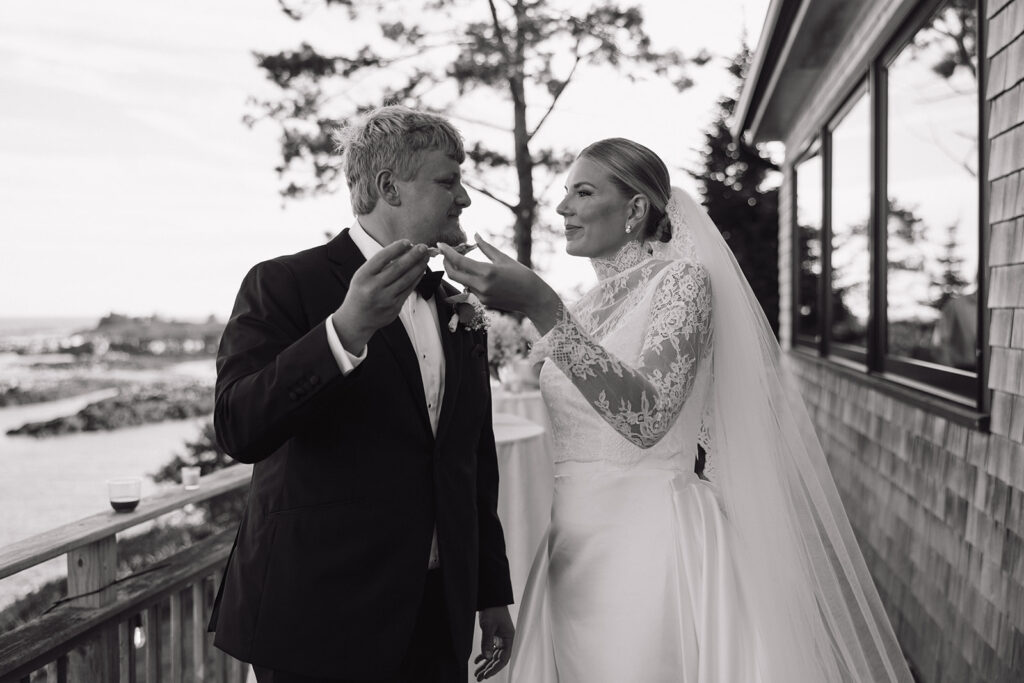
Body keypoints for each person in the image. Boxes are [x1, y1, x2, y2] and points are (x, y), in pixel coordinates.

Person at [439, 138, 916, 682]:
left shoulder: (683, 282)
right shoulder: (587, 307)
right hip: (572, 548)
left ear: (636, 209)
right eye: (565, 192)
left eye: (584, 192)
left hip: (650, 543)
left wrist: (542, 306)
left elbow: (647, 418)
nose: (563, 207)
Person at [208, 105, 514, 683]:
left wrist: (488, 591)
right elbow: (238, 427)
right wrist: (344, 331)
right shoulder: (283, 283)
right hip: (319, 616)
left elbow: (471, 459)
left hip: (435, 617)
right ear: (386, 187)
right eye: (448, 180)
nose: (466, 198)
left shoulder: (456, 306)